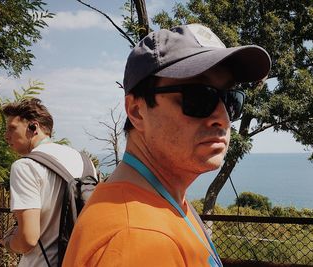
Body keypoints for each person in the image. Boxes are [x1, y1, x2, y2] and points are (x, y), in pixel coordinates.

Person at [63, 23, 271, 266]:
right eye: (199, 96)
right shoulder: (137, 239)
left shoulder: (164, 202)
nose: (223, 118)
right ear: (137, 111)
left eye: (229, 99)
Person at [0, 98, 87, 267]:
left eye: (12, 128)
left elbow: (28, 239)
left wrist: (8, 241)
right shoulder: (84, 161)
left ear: (34, 127)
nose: (6, 136)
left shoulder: (25, 166)